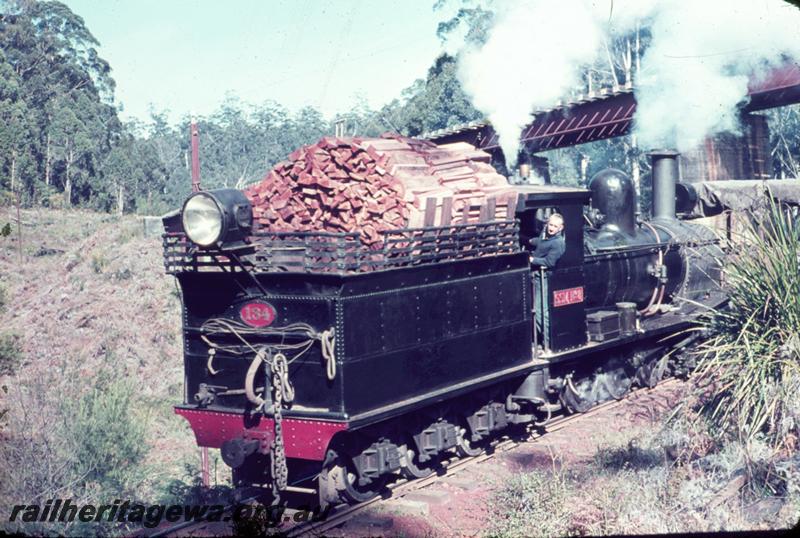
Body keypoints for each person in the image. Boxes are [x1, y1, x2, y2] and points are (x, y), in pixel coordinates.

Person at [530, 213, 565, 351]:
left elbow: (549, 262)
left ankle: (548, 343)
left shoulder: (558, 242)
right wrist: (527, 240)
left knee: (541, 312)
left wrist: (533, 260)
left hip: (544, 278)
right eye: (550, 224)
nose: (551, 228)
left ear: (560, 228)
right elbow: (541, 243)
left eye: (555, 226)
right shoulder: (546, 235)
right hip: (535, 277)